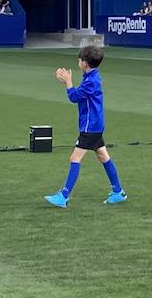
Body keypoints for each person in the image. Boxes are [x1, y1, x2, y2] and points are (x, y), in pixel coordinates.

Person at [44, 44, 127, 208]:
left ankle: (64, 195)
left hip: (90, 127)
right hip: (95, 125)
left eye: (80, 59)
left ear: (85, 63)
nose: (78, 61)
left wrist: (68, 82)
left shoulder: (91, 81)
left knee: (75, 158)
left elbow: (74, 97)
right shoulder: (91, 77)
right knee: (103, 156)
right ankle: (118, 192)